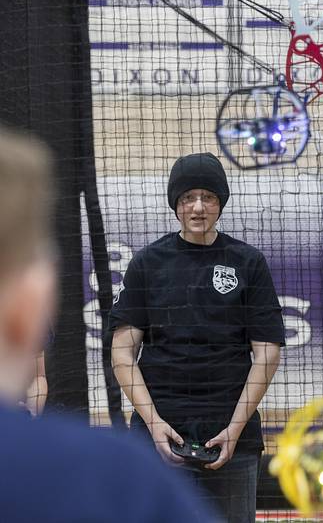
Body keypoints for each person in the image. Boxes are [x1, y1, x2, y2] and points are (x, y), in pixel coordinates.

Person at [0, 126, 217, 522]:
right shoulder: (114, 473)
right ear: (32, 299)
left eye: (207, 197)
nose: (198, 206)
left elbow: (39, 378)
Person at [111, 152, 284, 523]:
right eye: (188, 197)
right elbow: (122, 352)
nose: (198, 207)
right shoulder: (147, 262)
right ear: (176, 204)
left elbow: (267, 353)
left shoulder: (247, 262)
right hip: (158, 437)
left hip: (232, 438)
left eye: (208, 197)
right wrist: (155, 426)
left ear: (221, 202)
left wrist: (234, 431)